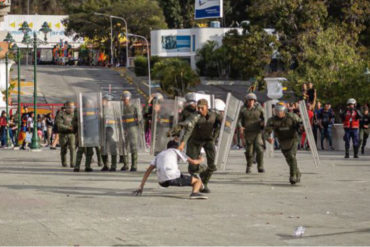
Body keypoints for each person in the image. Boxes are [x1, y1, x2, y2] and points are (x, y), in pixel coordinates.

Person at [133, 140, 208, 199]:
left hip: (162, 181)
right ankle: (195, 193)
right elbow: (194, 162)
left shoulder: (159, 154)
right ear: (176, 147)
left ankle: (198, 187)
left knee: (185, 178)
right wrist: (201, 159)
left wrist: (141, 186)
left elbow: (148, 171)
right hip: (173, 177)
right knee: (197, 181)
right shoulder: (176, 151)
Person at [178, 99, 223, 193]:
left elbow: (223, 122)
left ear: (207, 107)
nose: (199, 110)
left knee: (213, 165)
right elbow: (189, 128)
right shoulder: (195, 116)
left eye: (202, 108)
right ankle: (199, 181)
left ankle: (204, 183)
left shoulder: (214, 114)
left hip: (208, 140)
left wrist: (223, 128)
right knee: (193, 167)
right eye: (198, 108)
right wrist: (182, 143)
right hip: (194, 141)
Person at [264, 103, 304, 185]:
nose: (278, 113)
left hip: (293, 139)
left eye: (280, 111)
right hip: (282, 141)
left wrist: (301, 127)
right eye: (276, 111)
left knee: (292, 156)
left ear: (284, 111)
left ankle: (292, 176)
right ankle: (298, 173)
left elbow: (301, 123)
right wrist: (268, 138)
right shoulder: (272, 120)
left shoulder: (292, 116)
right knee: (288, 159)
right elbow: (266, 131)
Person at [238, 93, 265, 173]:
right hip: (248, 132)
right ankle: (249, 166)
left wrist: (263, 123)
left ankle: (260, 166)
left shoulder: (259, 108)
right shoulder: (243, 109)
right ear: (246, 101)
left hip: (257, 132)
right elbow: (239, 120)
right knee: (249, 151)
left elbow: (265, 118)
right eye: (249, 100)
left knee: (260, 149)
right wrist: (240, 127)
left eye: (252, 100)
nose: (251, 102)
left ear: (254, 101)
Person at [120, 91, 141, 172]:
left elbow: (139, 117)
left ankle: (134, 165)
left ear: (128, 98)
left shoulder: (134, 106)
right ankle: (125, 165)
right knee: (124, 147)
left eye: (125, 99)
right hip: (124, 128)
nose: (124, 100)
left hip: (132, 128)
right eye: (123, 99)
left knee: (133, 147)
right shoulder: (122, 107)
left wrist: (136, 125)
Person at [56, 101, 77, 167]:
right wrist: (68, 128)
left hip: (72, 134)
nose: (72, 109)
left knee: (72, 148)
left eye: (73, 107)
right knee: (63, 149)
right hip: (63, 134)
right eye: (70, 107)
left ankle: (73, 163)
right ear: (66, 107)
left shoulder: (74, 114)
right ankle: (64, 163)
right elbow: (59, 124)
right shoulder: (61, 114)